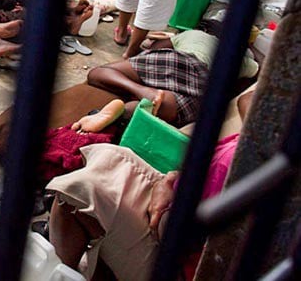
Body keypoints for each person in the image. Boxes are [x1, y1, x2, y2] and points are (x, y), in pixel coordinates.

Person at [44, 87, 254, 281]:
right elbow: (248, 100)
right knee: (110, 156)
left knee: (77, 192)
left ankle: (67, 270)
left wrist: (164, 191)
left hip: (178, 259)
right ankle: (89, 260)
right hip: (186, 207)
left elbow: (170, 233)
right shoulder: (268, 160)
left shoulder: (233, 167)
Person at [86, 25, 259, 127]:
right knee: (165, 106)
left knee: (97, 74)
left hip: (178, 59)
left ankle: (140, 89)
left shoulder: (194, 34)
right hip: (205, 80)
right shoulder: (239, 55)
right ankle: (125, 112)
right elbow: (255, 72)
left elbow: (157, 48)